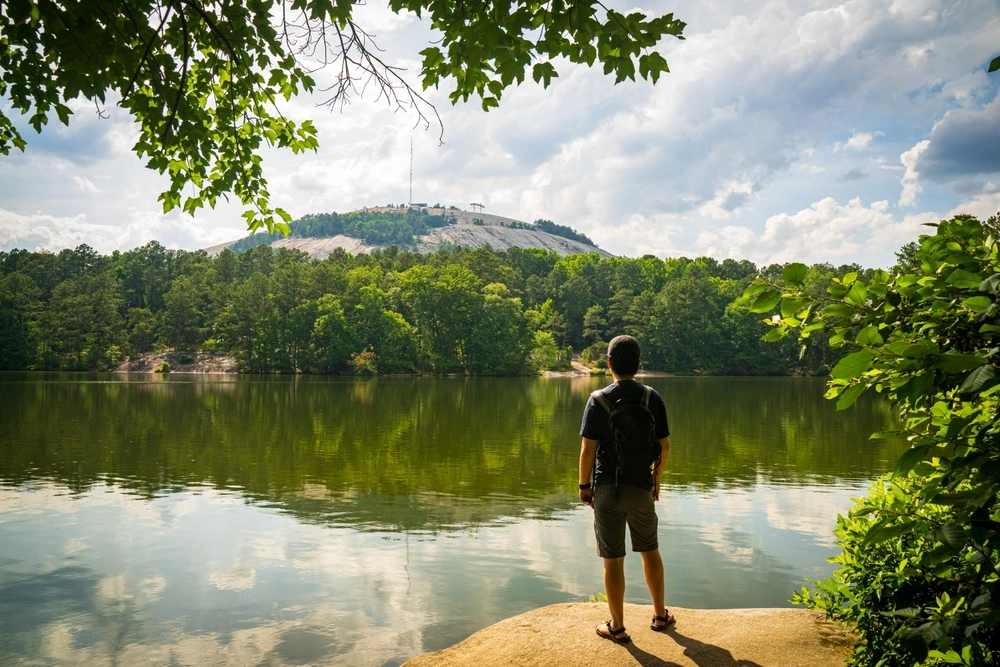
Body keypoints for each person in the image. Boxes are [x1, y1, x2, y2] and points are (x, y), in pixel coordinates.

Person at [578, 335, 673, 644]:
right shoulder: (652, 397)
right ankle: (660, 615)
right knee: (650, 551)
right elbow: (664, 446)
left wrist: (584, 486)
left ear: (609, 364)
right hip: (641, 487)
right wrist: (656, 480)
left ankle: (617, 627)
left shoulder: (597, 400)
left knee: (613, 558)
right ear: (639, 365)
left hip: (607, 488)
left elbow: (587, 451)